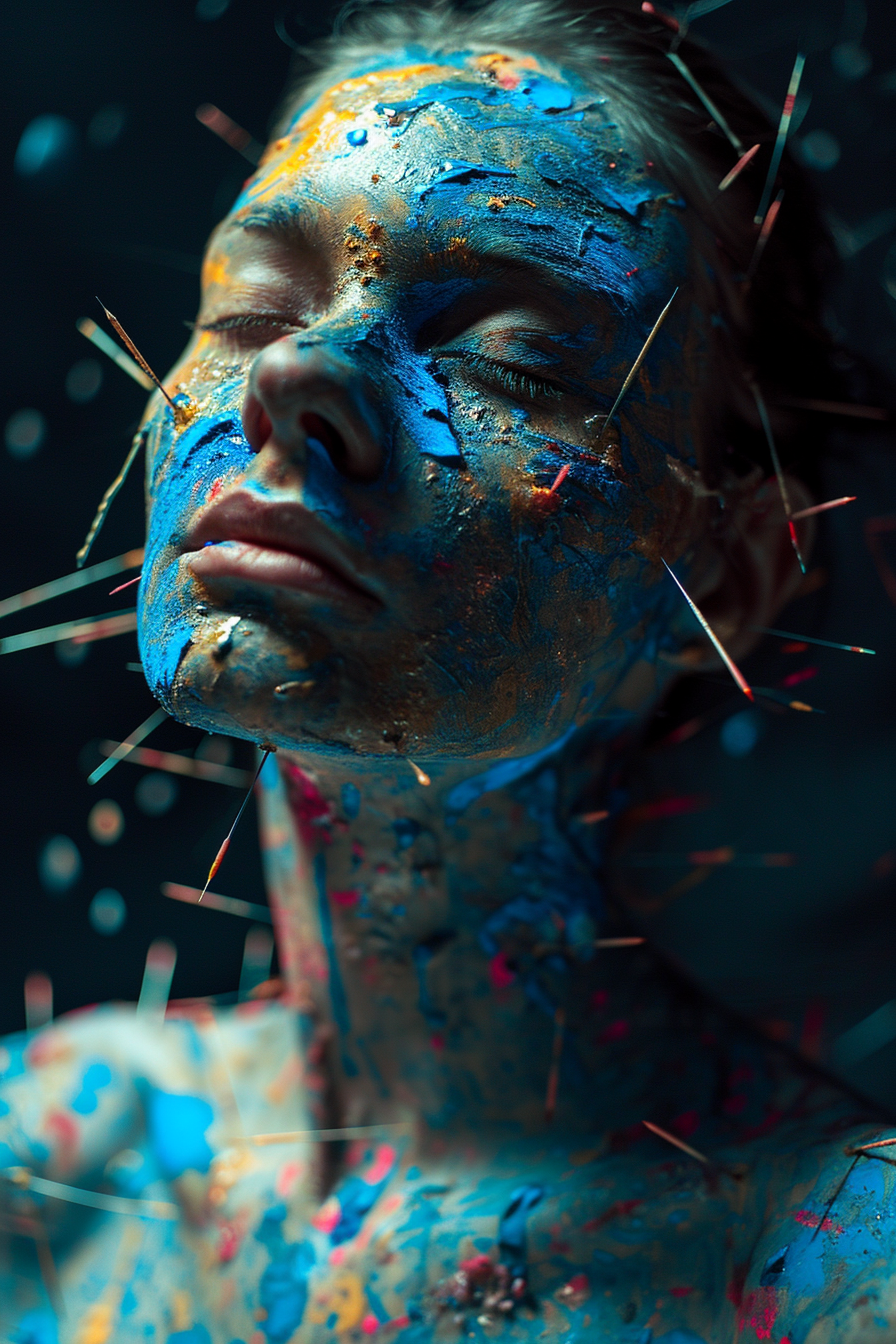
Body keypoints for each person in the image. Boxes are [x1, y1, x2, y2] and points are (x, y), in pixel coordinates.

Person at [3, 2, 894, 1340]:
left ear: (720, 574)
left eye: (504, 351)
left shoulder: (834, 1279)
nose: (300, 370)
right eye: (251, 308)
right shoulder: (53, 1166)